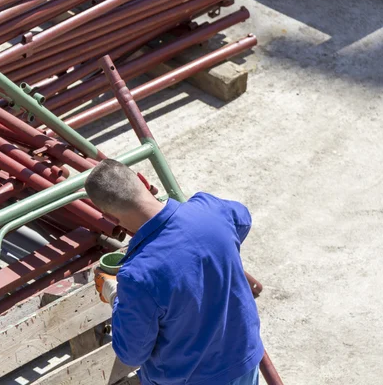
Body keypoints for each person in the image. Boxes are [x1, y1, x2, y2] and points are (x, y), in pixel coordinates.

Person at [85, 159, 263, 385]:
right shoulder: (210, 209)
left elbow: (132, 353)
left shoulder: (137, 275)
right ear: (142, 180)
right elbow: (242, 219)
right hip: (243, 362)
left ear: (111, 218)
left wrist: (116, 297)